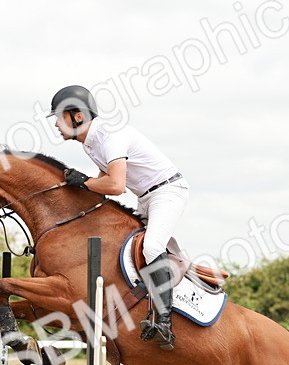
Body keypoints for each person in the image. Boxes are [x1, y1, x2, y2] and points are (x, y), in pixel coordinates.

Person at [48, 84, 188, 350]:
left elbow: (115, 185)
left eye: (59, 117)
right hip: (145, 196)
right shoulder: (90, 143)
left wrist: (84, 181)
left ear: (77, 115)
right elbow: (102, 182)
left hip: (167, 191)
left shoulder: (109, 136)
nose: (55, 124)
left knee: (152, 247)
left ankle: (164, 323)